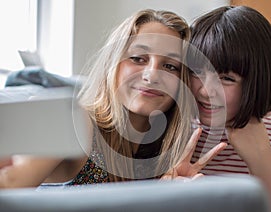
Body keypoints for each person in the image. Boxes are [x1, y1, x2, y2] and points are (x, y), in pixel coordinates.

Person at [0, 9, 226, 188]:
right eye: (138, 58)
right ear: (112, 64)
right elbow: (9, 185)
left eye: (170, 66)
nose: (152, 75)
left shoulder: (174, 149)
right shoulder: (72, 122)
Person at [183, 5, 271, 212]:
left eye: (227, 78)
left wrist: (261, 161)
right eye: (197, 71)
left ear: (257, 81)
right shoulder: (178, 127)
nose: (204, 92)